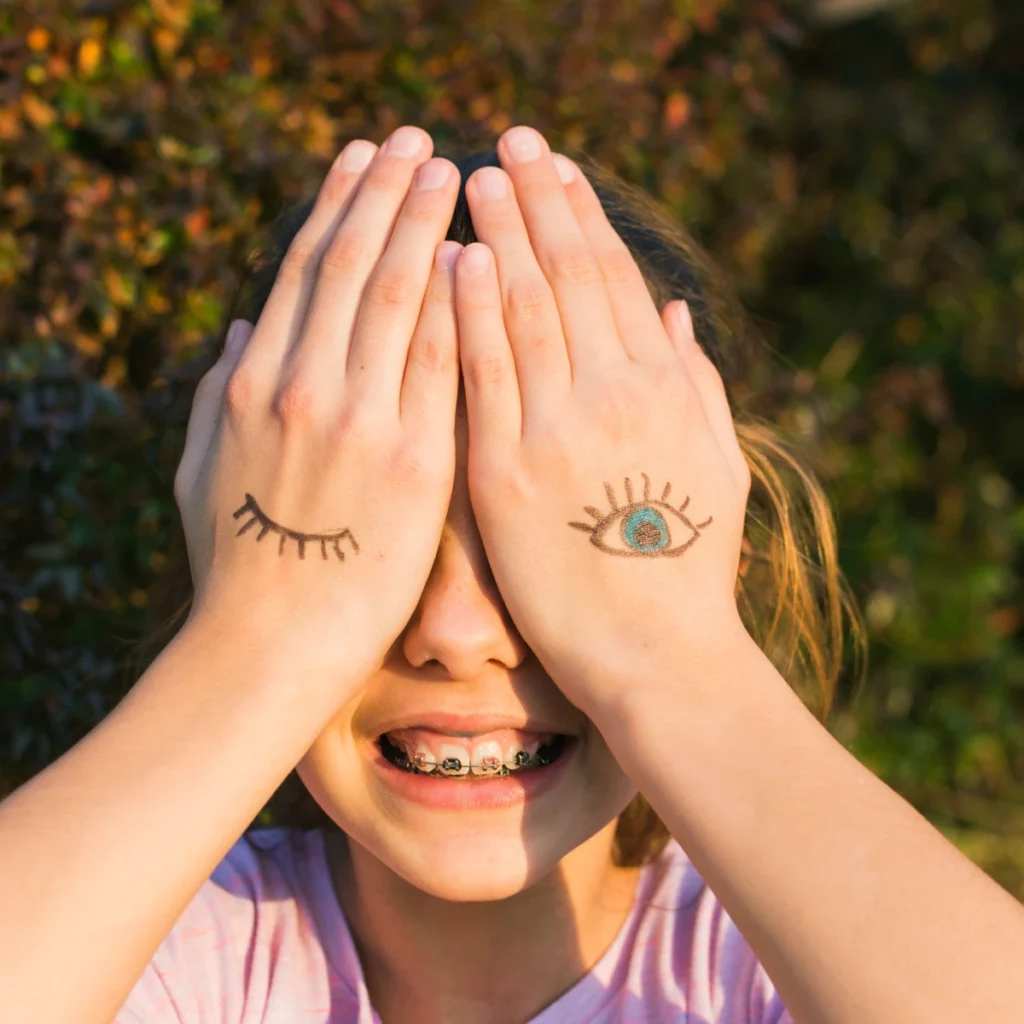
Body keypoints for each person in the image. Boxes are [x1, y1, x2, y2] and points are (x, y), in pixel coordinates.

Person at [2, 123, 1022, 1024]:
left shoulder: (772, 973)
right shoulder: (161, 950)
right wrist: (260, 643)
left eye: (528, 551)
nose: (455, 628)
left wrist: (675, 661)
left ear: (716, 568)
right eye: (384, 545)